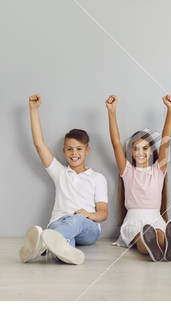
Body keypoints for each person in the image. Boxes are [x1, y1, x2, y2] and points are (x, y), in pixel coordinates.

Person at [19, 94, 108, 265]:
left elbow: (104, 213)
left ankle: (41, 246)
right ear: (64, 152)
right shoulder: (59, 172)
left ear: (87, 151)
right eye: (70, 149)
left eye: (79, 149)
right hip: (57, 224)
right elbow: (39, 144)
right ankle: (67, 250)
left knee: (76, 220)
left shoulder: (97, 178)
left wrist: (89, 215)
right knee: (62, 237)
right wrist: (34, 109)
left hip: (87, 226)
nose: (74, 153)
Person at [106, 94, 171, 262]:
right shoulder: (127, 170)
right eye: (136, 149)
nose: (141, 153)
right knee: (143, 236)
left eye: (145, 148)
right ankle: (151, 248)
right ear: (131, 152)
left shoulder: (158, 170)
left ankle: (167, 247)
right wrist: (111, 112)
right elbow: (115, 142)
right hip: (134, 218)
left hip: (155, 217)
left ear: (151, 150)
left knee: (160, 233)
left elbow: (166, 142)